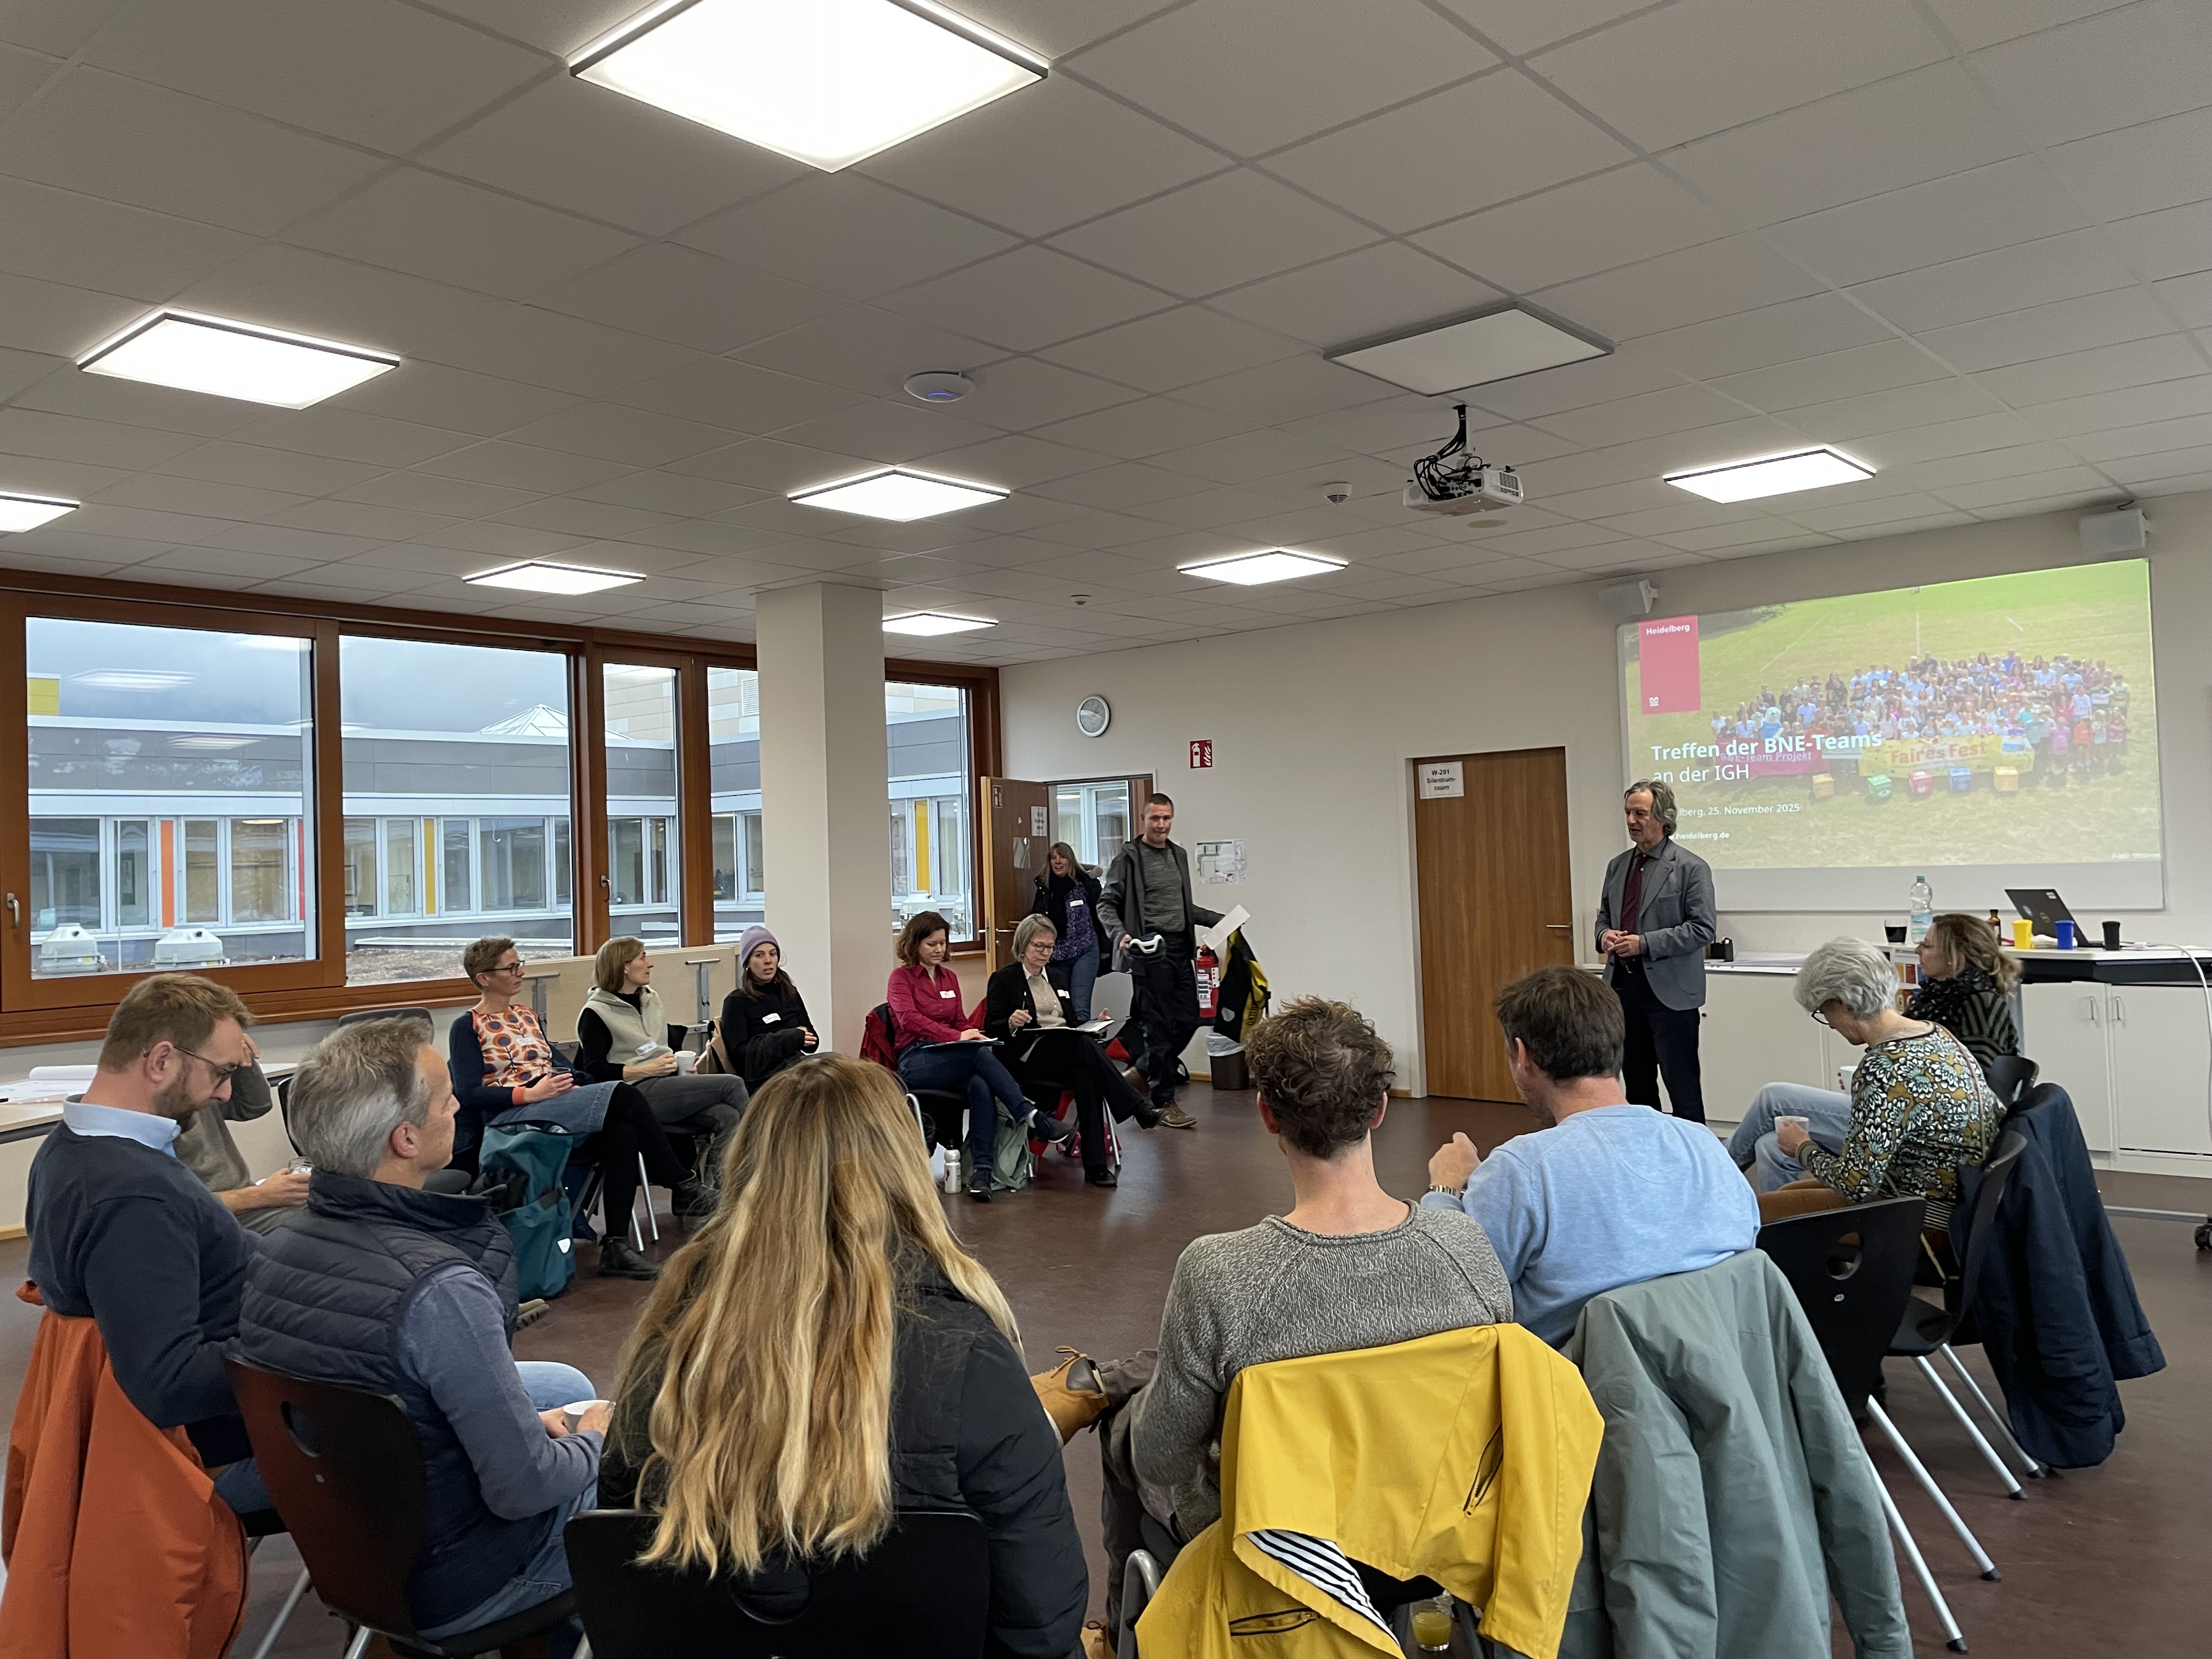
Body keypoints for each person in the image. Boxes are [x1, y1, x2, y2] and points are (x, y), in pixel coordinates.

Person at [601, 1054, 1086, 1659]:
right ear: (901, 1170)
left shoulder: (667, 1349)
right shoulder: (970, 1359)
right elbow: (1042, 1622)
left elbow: (622, 1566)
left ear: (748, 1170)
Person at [1095, 998, 1512, 1641]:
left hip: (1278, 1549)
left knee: (1123, 1431)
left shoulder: (1220, 1273)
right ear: (1379, 1109)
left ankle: (1128, 1631)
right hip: (1432, 1536)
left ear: (1267, 1113)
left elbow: (1163, 1461)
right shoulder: (1466, 1248)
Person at [235, 1018, 605, 1655]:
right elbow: (525, 1488)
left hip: (355, 1558)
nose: (459, 1106)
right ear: (404, 1138)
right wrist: (597, 1438)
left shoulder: (271, 1254)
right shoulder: (438, 1289)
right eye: (447, 1098)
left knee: (557, 1393)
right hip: (460, 1584)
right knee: (644, 1473)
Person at [24, 973, 266, 1514]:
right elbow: (168, 1382)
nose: (225, 1093)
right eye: (222, 1072)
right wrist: (304, 1340)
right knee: (423, 1428)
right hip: (221, 1441)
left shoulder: (67, 1150)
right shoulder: (134, 1196)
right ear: (160, 1061)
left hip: (216, 1397)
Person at [1423, 966, 1757, 1346]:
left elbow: (1449, 1295)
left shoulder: (1521, 1170)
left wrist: (1445, 1191)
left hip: (1574, 1379)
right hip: (1720, 1367)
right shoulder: (1706, 1146)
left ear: (1523, 1056)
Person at [448, 935, 709, 1279]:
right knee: (625, 1096)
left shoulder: (526, 1015)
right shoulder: (467, 1026)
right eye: (510, 968)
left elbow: (562, 1066)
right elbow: (468, 1094)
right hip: (514, 1115)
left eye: (519, 965)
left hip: (555, 1102)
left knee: (623, 1132)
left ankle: (616, 1247)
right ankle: (683, 1183)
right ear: (484, 978)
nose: (519, 972)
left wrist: (574, 1081)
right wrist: (528, 1095)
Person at [1733, 936, 2003, 1224]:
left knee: (1765, 1211)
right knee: (1785, 1190)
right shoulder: (1936, 1034)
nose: (1830, 1024)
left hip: (1925, 1217)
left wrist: (1803, 1147)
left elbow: (1856, 1185)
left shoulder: (1884, 1066)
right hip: (1965, 1204)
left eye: (1825, 1012)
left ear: (1845, 1004)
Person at [887, 910, 1063, 1203]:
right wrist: (957, 1037)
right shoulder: (901, 978)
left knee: (980, 1084)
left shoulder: (949, 978)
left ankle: (982, 1172)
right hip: (916, 1058)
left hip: (951, 1056)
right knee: (977, 1056)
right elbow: (909, 1021)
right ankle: (1030, 1115)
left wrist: (972, 1033)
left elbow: (959, 1020)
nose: (939, 949)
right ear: (915, 944)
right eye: (932, 944)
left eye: (943, 943)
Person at [985, 915, 1160, 1188]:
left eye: (1050, 947)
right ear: (1023, 946)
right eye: (1038, 946)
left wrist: (1096, 1023)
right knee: (1082, 1046)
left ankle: (1096, 1168)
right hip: (1028, 1055)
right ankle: (1136, 1107)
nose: (1045, 953)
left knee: (1087, 1077)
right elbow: (991, 1027)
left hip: (1064, 1051)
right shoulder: (1005, 978)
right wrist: (1010, 1022)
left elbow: (1072, 1023)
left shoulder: (1056, 977)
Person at [577, 937, 745, 1190]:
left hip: (667, 1085)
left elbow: (657, 1048)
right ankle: (762, 1164)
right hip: (633, 1094)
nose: (651, 964)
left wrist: (681, 1067)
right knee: (733, 1085)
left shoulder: (651, 999)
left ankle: (719, 1192)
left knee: (727, 1116)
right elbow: (594, 1072)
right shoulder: (595, 1013)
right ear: (624, 967)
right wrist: (647, 1069)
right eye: (643, 958)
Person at [1594, 778, 1716, 1122]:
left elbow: (1702, 929)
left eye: (1640, 814)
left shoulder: (1691, 868)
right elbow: (1604, 916)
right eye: (1628, 813)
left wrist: (1644, 944)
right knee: (1638, 1089)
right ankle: (1646, 1152)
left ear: (1663, 818)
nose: (1631, 821)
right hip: (1622, 990)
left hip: (1670, 996)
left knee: (1683, 1089)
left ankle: (1694, 1154)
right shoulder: (1617, 866)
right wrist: (1604, 936)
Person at [1098, 794, 1221, 1130]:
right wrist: (1121, 935)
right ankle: (1163, 1100)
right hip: (1149, 951)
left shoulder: (1178, 855)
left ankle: (1142, 1070)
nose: (1161, 825)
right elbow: (1106, 903)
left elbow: (1183, 908)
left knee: (1192, 1017)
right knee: (1159, 1027)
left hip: (1181, 949)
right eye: (1155, 818)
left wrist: (1220, 920)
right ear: (1144, 819)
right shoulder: (1129, 858)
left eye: (1167, 818)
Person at [175, 1035, 311, 1234]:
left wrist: (240, 1060)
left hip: (244, 1202)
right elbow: (174, 1209)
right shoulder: (148, 1115)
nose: (224, 1094)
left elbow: (254, 1106)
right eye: (221, 1072)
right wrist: (261, 1195)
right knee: (329, 1227)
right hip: (214, 1217)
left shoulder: (196, 1080)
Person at [1905, 912, 2021, 1071]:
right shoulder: (1934, 995)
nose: (1917, 951)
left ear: (1954, 955)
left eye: (1927, 946)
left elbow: (1978, 1072)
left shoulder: (1982, 1002)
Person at [717, 924, 819, 1090]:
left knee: (837, 1067)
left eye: (773, 954)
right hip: (764, 1079)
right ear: (747, 962)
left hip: (796, 1066)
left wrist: (799, 1037)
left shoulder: (789, 992)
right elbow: (741, 1057)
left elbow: (813, 1043)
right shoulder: (737, 1001)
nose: (768, 960)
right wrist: (789, 1037)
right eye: (760, 955)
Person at [1030, 842, 1105, 1020]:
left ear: (1070, 860)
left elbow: (1102, 915)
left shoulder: (1086, 884)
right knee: (1060, 1008)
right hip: (1056, 956)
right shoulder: (1044, 889)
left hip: (1085, 952)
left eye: (1062, 857)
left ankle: (1082, 1039)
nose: (1058, 861)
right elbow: (1037, 921)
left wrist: (1106, 947)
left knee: (1080, 1008)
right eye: (1053, 858)